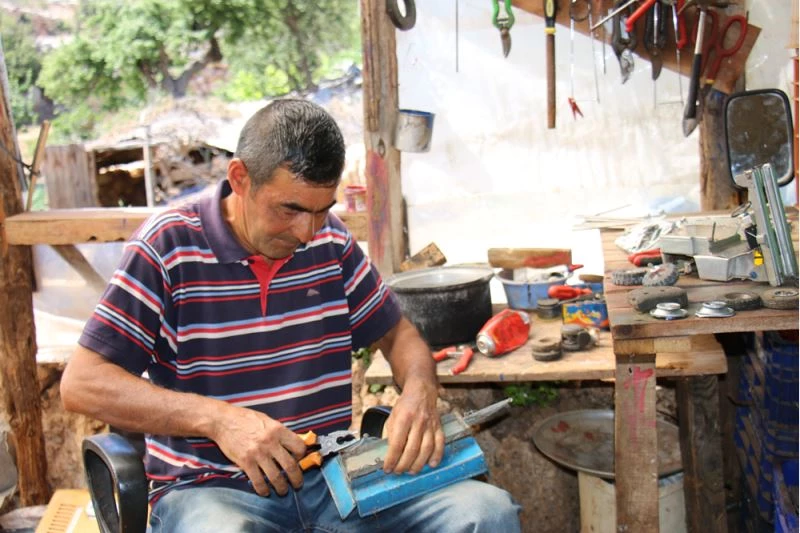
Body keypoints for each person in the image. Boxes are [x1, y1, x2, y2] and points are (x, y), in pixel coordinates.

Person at [61, 98, 521, 532]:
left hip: (333, 482)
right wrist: (219, 420)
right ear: (240, 178)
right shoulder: (167, 247)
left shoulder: (331, 244)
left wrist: (419, 391)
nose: (307, 231)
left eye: (323, 211)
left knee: (484, 514)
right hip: (211, 489)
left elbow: (399, 335)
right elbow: (82, 383)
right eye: (290, 209)